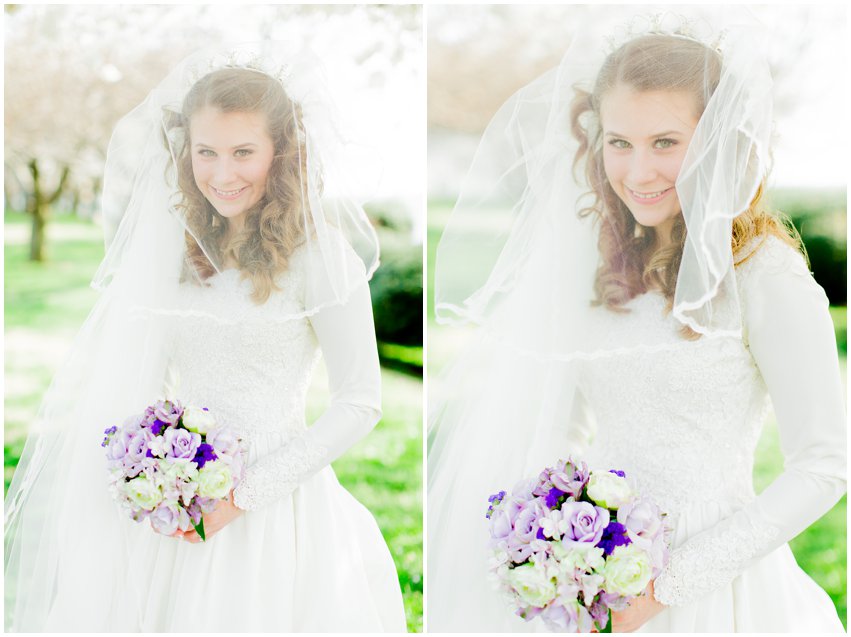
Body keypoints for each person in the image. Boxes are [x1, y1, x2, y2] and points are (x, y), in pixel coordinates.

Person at [428, 16, 845, 633]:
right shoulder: (593, 266)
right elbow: (559, 421)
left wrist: (668, 585)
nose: (638, 171)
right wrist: (559, 548)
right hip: (593, 572)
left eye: (666, 143)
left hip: (715, 579)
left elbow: (825, 465)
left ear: (719, 140)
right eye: (619, 142)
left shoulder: (766, 278)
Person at [5, 42, 407, 632]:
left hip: (275, 507)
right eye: (206, 152)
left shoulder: (320, 256)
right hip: (168, 504)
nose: (223, 173)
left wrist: (242, 497)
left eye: (244, 151)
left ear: (281, 153)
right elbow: (139, 376)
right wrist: (146, 474)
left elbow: (361, 401)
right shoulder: (171, 251)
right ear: (185, 152)